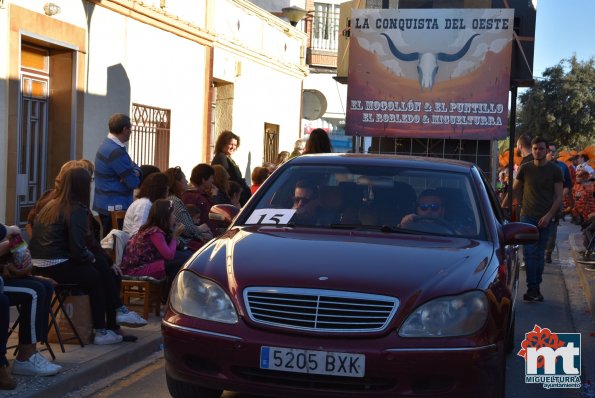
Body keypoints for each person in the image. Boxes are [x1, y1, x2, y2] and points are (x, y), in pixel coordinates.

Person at [29, 168, 125, 345]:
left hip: (38, 265)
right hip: (58, 265)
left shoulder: (50, 205)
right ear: (83, 186)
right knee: (98, 277)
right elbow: (78, 249)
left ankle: (115, 318)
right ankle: (103, 330)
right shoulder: (77, 209)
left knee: (99, 271)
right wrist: (94, 259)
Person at [0, 224, 62, 385]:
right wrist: (8, 246)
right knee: (33, 292)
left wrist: (20, 257)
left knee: (45, 286)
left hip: (6, 273)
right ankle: (25, 356)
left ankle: (32, 351)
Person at [511, 136, 563, 302]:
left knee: (539, 254)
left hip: (546, 218)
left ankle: (535, 288)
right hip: (527, 216)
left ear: (546, 150)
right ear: (531, 149)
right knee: (529, 252)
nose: (537, 151)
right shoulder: (525, 168)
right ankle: (532, 288)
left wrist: (549, 216)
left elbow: (558, 197)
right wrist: (504, 205)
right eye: (535, 148)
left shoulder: (555, 170)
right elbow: (513, 189)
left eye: (541, 149)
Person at [120, 199, 190, 299]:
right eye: (172, 215)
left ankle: (170, 295)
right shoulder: (155, 232)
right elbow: (169, 255)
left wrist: (173, 235)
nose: (175, 217)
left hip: (147, 263)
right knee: (179, 262)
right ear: (165, 217)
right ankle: (168, 297)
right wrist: (175, 237)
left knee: (185, 256)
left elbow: (170, 250)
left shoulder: (156, 229)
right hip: (137, 269)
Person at [94, 113, 142, 237]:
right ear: (124, 129)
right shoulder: (116, 151)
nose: (131, 132)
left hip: (106, 203)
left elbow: (135, 167)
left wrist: (135, 171)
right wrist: (133, 173)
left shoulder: (107, 145)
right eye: (130, 128)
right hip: (115, 207)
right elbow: (133, 182)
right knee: (114, 246)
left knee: (109, 243)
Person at [26, 159, 93, 238]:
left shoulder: (48, 195)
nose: (90, 185)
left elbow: (30, 224)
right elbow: (81, 244)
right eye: (89, 180)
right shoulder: (73, 208)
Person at [164, 167, 212, 250]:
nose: (187, 181)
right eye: (184, 179)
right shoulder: (174, 201)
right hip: (185, 244)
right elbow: (186, 229)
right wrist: (200, 228)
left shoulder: (171, 199)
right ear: (177, 182)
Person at [544, 144, 573, 263]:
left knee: (552, 229)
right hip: (539, 202)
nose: (552, 153)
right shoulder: (538, 166)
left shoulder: (562, 167)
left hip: (555, 203)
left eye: (554, 151)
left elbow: (568, 185)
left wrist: (560, 195)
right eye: (550, 151)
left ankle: (548, 252)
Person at [123, 172, 169, 237]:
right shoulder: (144, 204)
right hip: (136, 244)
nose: (167, 193)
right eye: (167, 189)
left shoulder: (149, 203)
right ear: (161, 190)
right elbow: (138, 233)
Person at [211, 131, 251, 206]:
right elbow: (226, 178)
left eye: (235, 145)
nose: (233, 147)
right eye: (231, 144)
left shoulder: (228, 158)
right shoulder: (221, 157)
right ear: (223, 144)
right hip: (230, 197)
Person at [182, 164, 218, 235]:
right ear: (203, 180)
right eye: (211, 178)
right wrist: (214, 197)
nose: (212, 181)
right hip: (203, 238)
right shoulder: (193, 196)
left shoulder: (199, 195)